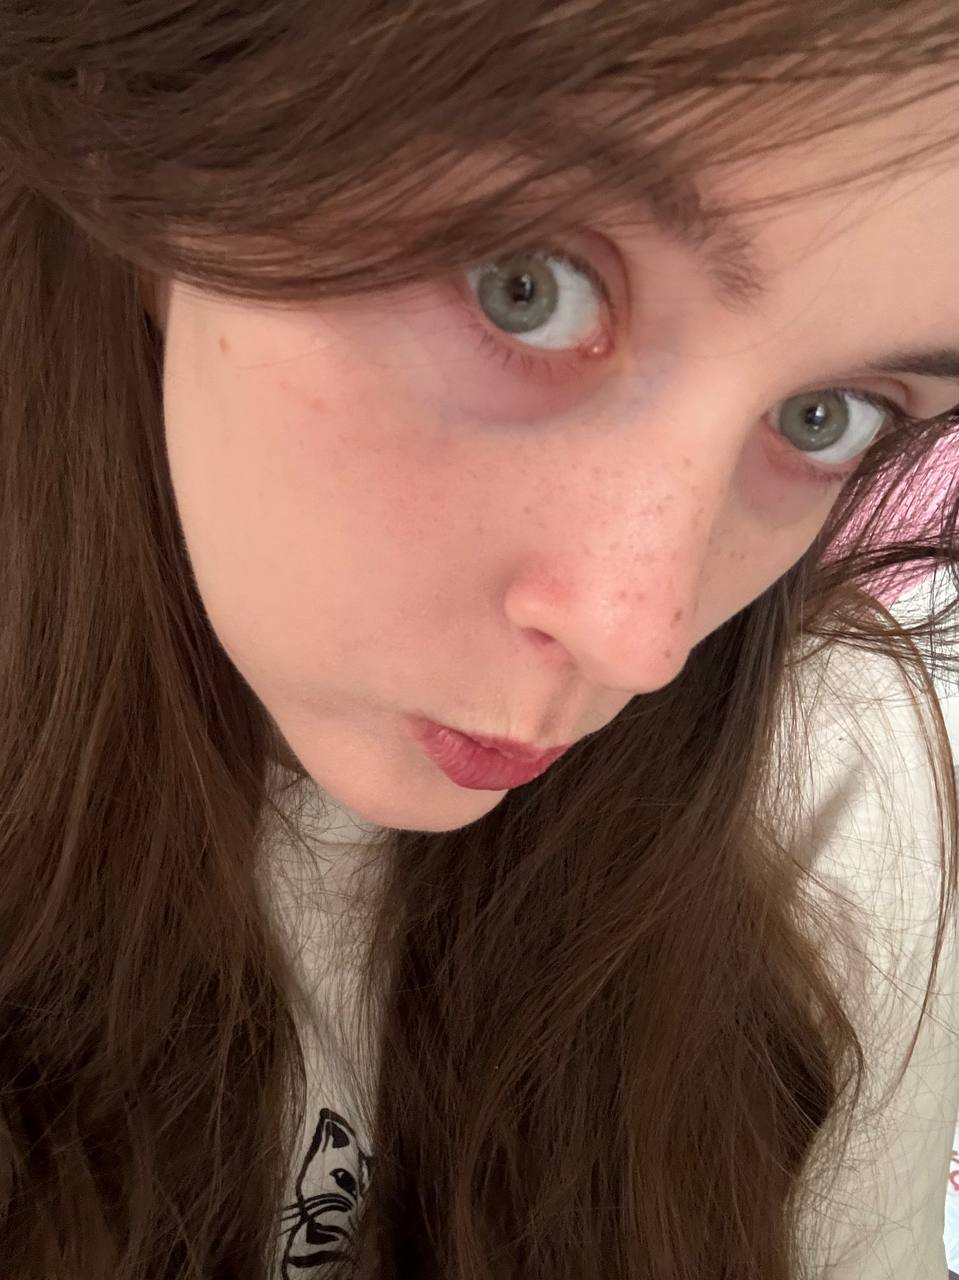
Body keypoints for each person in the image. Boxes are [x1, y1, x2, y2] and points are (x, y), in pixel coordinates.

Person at [1, 1, 958, 1277]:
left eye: (826, 414)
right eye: (527, 286)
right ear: (145, 142)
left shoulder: (835, 802)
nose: (639, 640)